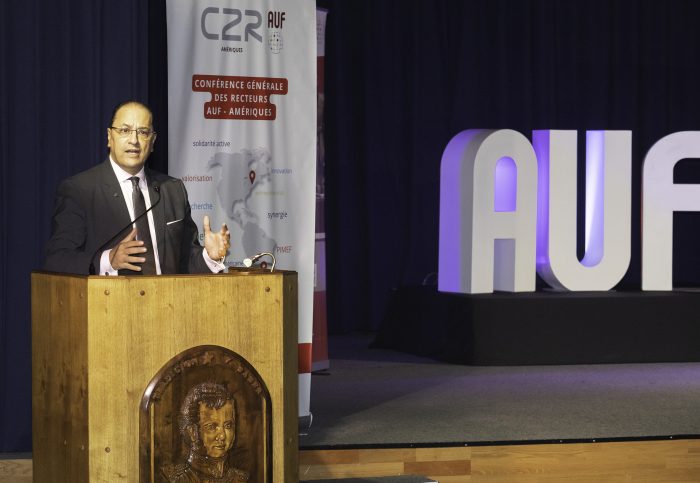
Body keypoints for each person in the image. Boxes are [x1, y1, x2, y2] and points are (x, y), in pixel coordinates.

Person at [44, 100, 230, 275]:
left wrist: (210, 256)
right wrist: (108, 260)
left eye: (142, 132)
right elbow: (58, 259)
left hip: (168, 298)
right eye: (125, 130)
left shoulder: (172, 190)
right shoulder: (80, 190)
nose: (134, 140)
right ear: (109, 137)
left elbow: (185, 260)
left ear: (152, 141)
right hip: (110, 298)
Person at [161, 382, 249, 482]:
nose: (222, 436)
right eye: (212, 427)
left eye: (228, 426)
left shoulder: (241, 479)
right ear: (192, 432)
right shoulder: (174, 479)